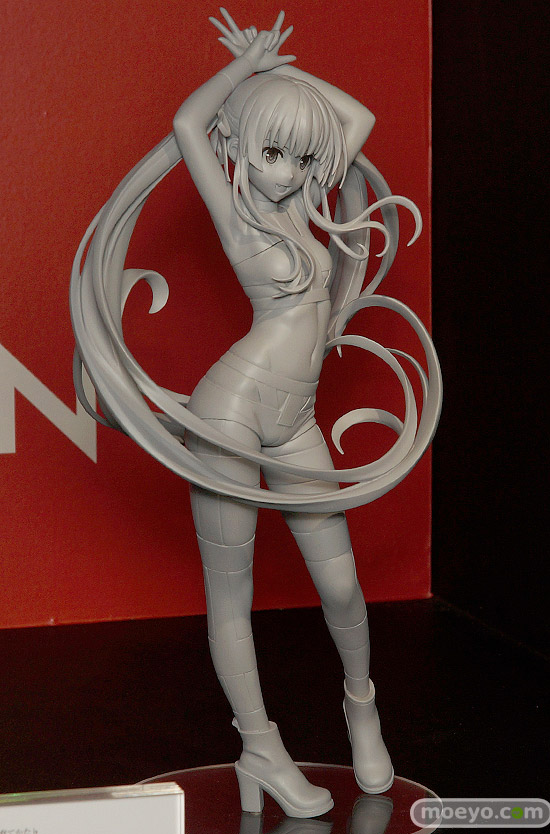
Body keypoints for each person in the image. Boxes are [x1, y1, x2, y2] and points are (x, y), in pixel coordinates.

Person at [70, 9, 441, 819]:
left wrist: (282, 76)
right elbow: (187, 125)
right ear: (239, 148)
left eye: (300, 157)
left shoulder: (309, 209)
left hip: (296, 417)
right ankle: (260, 749)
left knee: (340, 585)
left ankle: (362, 706)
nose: (288, 171)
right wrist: (246, 73)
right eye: (271, 152)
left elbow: (355, 120)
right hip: (232, 411)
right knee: (230, 596)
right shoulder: (235, 213)